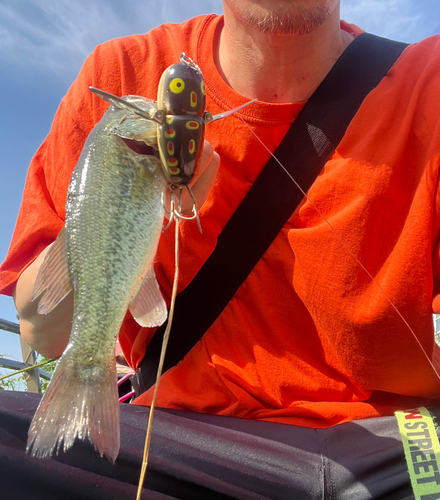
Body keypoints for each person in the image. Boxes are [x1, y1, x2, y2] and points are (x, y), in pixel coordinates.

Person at [1, 1, 440, 498]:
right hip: (180, 444)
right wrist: (116, 222)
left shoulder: (432, 86)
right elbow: (41, 328)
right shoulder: (120, 73)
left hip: (392, 446)